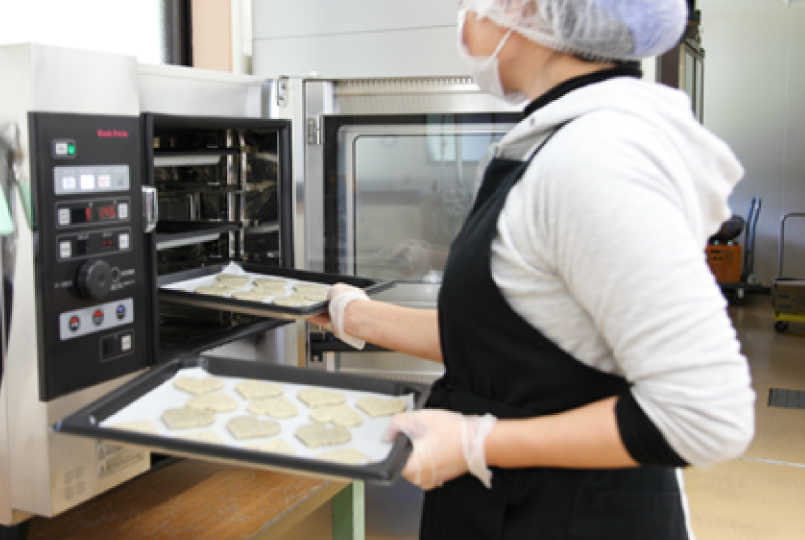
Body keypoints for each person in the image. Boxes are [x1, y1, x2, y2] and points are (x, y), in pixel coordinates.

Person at [309, 0, 755, 538]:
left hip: (568, 516)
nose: (465, 16)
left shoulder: (597, 158)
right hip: (517, 506)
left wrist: (477, 442)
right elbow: (519, 339)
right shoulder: (558, 139)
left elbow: (706, 414)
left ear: (524, 9)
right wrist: (354, 315)